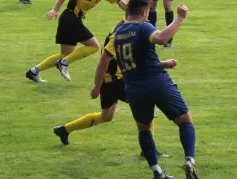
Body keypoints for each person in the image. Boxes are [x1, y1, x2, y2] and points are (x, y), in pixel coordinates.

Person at [52, 18, 172, 159]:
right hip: (116, 82)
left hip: (110, 81)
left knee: (106, 116)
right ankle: (148, 150)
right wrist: (96, 87)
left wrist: (162, 64)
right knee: (146, 107)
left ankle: (64, 130)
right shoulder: (121, 34)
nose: (147, 20)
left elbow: (130, 59)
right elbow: (105, 59)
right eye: (144, 17)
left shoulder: (125, 30)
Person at [114, 0, 198, 179]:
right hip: (156, 82)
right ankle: (189, 160)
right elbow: (160, 38)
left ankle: (156, 171)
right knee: (185, 121)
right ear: (144, 12)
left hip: (133, 87)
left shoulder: (119, 32)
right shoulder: (143, 27)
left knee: (144, 128)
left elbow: (133, 62)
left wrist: (162, 63)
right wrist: (180, 18)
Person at [26, 0, 126, 83]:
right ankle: (63, 63)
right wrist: (55, 9)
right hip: (70, 18)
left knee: (65, 53)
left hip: (71, 19)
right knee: (94, 46)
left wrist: (135, 14)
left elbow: (120, 2)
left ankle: (34, 71)